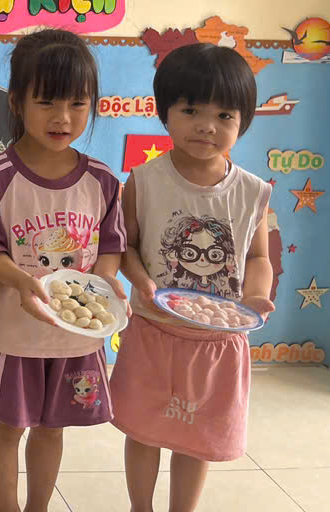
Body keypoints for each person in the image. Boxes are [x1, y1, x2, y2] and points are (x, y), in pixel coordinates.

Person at [0, 28, 127, 512]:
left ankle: (38, 506)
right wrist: (21, 281)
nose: (63, 118)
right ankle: (7, 507)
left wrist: (105, 282)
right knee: (8, 426)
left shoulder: (101, 180)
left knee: (53, 428)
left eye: (77, 104)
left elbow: (112, 246)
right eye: (47, 102)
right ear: (17, 102)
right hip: (15, 332)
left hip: (75, 335)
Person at [111, 43, 274, 512]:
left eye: (224, 115)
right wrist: (141, 281)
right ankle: (140, 507)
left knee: (196, 439)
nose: (207, 125)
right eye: (191, 110)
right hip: (155, 332)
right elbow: (125, 246)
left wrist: (256, 295)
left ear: (242, 122)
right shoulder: (144, 180)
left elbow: (258, 256)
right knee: (143, 431)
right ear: (165, 113)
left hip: (217, 342)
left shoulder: (252, 192)